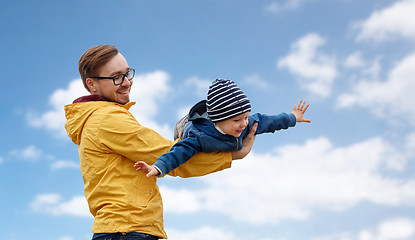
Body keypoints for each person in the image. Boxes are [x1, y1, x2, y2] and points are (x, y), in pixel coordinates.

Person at [64, 45, 257, 240]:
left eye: (128, 73)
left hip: (124, 229)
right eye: (116, 77)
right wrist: (231, 155)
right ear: (92, 84)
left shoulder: (95, 119)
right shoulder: (107, 120)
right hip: (127, 231)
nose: (127, 83)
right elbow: (167, 155)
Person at [135, 79, 311, 177]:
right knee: (184, 141)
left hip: (217, 128)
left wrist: (293, 117)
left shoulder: (247, 123)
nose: (243, 124)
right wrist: (158, 167)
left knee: (256, 121)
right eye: (236, 120)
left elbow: (270, 121)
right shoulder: (199, 137)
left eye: (245, 116)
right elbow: (178, 152)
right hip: (189, 128)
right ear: (219, 121)